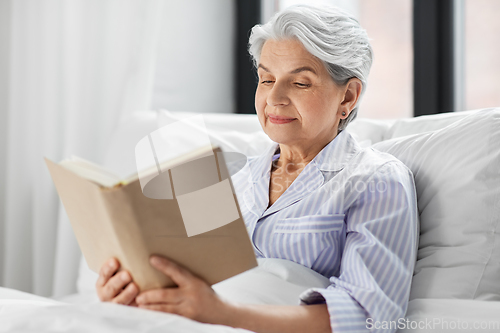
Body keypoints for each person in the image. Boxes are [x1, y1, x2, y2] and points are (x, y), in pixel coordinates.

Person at [95, 5, 418, 333]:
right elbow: (188, 281)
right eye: (266, 79)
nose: (274, 97)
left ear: (347, 97)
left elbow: (367, 317)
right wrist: (135, 290)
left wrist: (222, 314)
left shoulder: (376, 181)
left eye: (300, 83)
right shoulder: (230, 177)